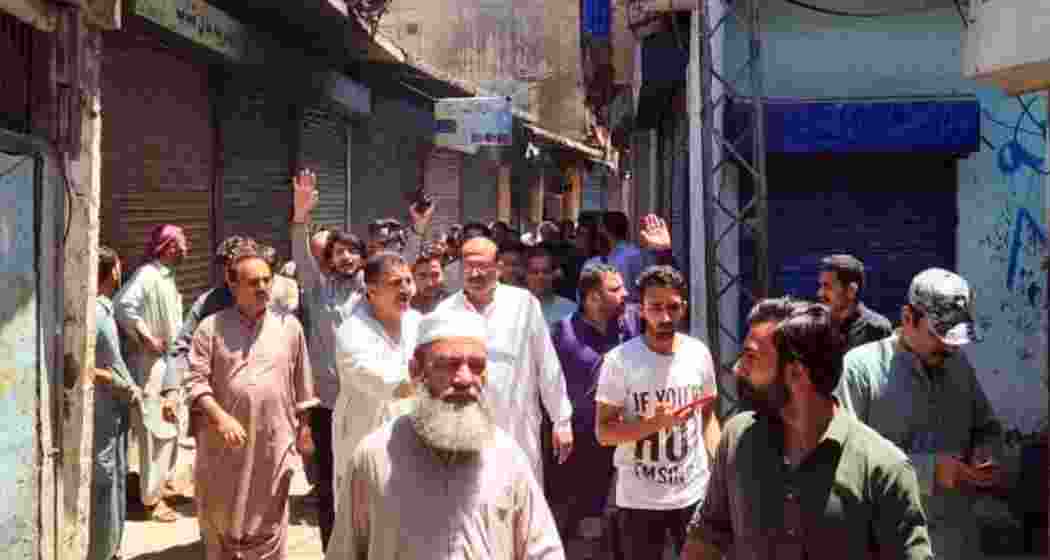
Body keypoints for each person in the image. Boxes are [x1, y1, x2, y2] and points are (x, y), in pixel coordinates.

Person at [684, 300, 933, 560]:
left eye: (751, 357)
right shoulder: (738, 437)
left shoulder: (883, 469)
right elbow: (706, 538)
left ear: (795, 374)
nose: (738, 369)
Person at [328, 309, 565, 560]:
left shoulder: (507, 456)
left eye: (476, 366)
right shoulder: (373, 457)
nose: (464, 378)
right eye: (448, 365)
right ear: (416, 371)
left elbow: (543, 551)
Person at [291, 169, 428, 548]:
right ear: (329, 259)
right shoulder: (319, 292)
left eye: (353, 250)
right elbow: (302, 256)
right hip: (331, 403)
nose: (346, 256)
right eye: (339, 251)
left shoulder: (374, 293)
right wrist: (300, 216)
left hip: (384, 409)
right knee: (334, 485)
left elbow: (400, 268)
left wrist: (416, 231)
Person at [836, 268, 1003, 560]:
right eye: (939, 334)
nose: (949, 345)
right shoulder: (860, 370)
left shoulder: (958, 367)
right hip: (890, 546)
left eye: (955, 337)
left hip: (957, 543)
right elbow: (843, 463)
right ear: (907, 318)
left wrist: (985, 451)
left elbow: (986, 426)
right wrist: (928, 472)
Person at [186, 249, 318, 560]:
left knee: (270, 510)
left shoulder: (289, 327)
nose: (262, 288)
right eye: (253, 282)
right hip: (225, 443)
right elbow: (195, 381)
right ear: (233, 285)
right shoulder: (210, 327)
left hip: (274, 439)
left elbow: (303, 384)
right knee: (221, 510)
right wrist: (220, 419)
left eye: (266, 280)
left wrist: (306, 429)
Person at [595, 265, 721, 560]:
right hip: (639, 500)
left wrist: (719, 464)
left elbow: (707, 416)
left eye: (673, 307)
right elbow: (604, 432)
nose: (665, 317)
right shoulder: (620, 361)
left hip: (693, 493)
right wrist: (651, 424)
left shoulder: (697, 353)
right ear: (641, 310)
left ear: (684, 308)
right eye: (655, 307)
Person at [435, 236, 573, 483]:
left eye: (483, 266)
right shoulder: (444, 313)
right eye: (469, 267)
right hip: (463, 432)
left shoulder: (523, 304)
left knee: (521, 508)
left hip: (517, 431)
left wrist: (561, 420)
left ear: (498, 267)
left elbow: (547, 364)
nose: (475, 273)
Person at [546, 263, 643, 552]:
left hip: (629, 438)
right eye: (615, 289)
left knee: (631, 521)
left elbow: (672, 300)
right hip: (584, 445)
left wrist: (663, 252)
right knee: (588, 525)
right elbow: (549, 385)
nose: (625, 294)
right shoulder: (561, 334)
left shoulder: (634, 323)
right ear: (592, 298)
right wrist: (559, 423)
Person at [332, 252, 420, 512]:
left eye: (408, 281)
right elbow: (381, 382)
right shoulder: (352, 332)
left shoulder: (418, 323)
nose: (405, 289)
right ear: (371, 291)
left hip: (412, 441)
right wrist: (428, 377)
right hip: (365, 437)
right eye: (395, 283)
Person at [114, 223, 189, 522]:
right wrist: (146, 338)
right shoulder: (148, 274)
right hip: (151, 367)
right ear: (167, 246)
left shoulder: (166, 278)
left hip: (169, 364)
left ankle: (159, 487)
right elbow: (123, 306)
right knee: (154, 432)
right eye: (180, 243)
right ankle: (150, 499)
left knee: (169, 429)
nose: (185, 249)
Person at [89, 246, 142, 560]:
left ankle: (111, 547)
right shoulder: (96, 313)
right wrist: (115, 382)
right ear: (112, 272)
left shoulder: (104, 310)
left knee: (115, 479)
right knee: (105, 484)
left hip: (115, 412)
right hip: (103, 414)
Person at [584, 213, 675, 303]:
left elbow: (624, 296)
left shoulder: (620, 259)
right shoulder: (637, 252)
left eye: (600, 228)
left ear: (604, 230)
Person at [816, 254, 892, 349]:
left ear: (851, 290)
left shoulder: (876, 329)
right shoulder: (816, 325)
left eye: (828, 287)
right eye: (821, 286)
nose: (820, 293)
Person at [526, 245, 578, 325]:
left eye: (546, 272)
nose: (540, 277)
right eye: (534, 272)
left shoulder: (570, 310)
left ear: (554, 274)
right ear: (526, 276)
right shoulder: (516, 308)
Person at [259, 244, 300, 315]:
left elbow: (293, 307)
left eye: (271, 264)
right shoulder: (254, 284)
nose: (268, 268)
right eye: (264, 264)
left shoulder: (289, 283)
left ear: (277, 264)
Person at [411, 241, 450, 313]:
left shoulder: (455, 307)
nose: (429, 283)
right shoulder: (400, 308)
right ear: (413, 277)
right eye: (422, 276)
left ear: (444, 275)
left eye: (435, 275)